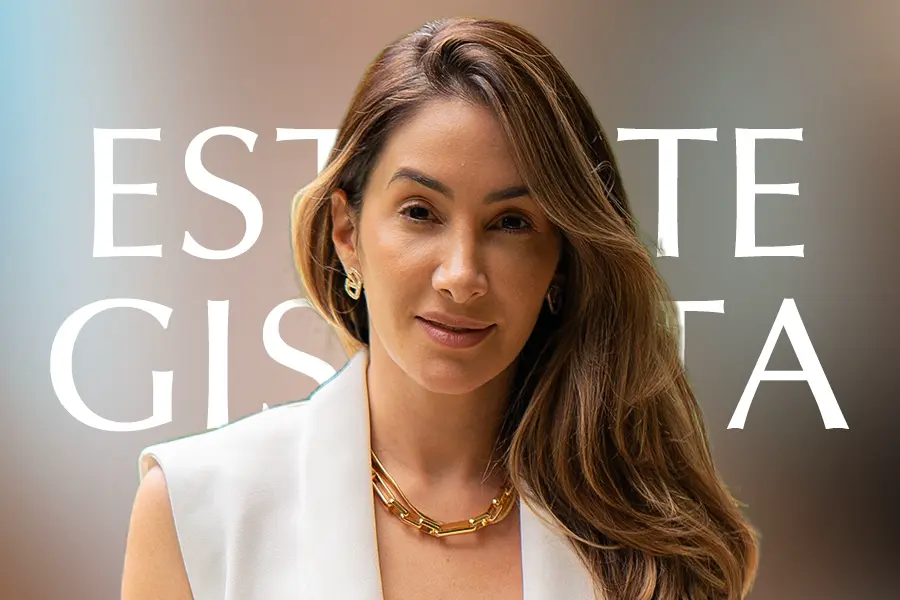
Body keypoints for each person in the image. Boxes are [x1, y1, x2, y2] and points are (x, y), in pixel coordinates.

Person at [121, 16, 759, 600]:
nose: (461, 276)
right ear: (347, 232)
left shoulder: (654, 547)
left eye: (511, 223)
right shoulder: (197, 513)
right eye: (420, 212)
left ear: (561, 262)